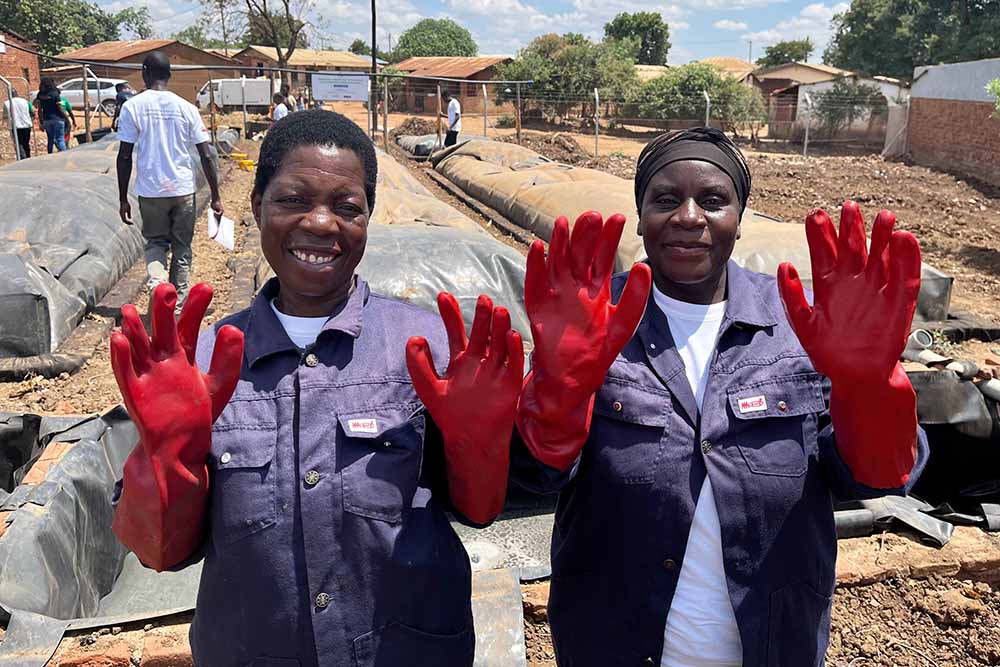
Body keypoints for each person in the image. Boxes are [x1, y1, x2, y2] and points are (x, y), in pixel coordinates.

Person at [109, 109, 525, 666]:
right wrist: (167, 454)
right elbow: (158, 551)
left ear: (369, 218)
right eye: (292, 200)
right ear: (256, 206)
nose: (321, 224)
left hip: (405, 649)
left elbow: (477, 509)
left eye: (347, 207)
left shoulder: (426, 348)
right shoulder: (201, 363)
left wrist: (485, 442)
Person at [511, 127, 929, 666]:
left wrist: (870, 384)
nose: (688, 216)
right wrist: (557, 388)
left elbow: (874, 476)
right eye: (665, 200)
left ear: (739, 216)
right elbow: (537, 475)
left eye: (713, 200)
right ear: (640, 216)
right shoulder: (587, 322)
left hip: (773, 644)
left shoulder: (800, 325)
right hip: (614, 641)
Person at [116, 51, 224, 306]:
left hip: (151, 191)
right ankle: (177, 305)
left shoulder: (133, 106)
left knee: (156, 243)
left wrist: (123, 198)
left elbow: (124, 156)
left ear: (145, 73)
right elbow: (206, 154)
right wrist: (216, 195)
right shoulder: (186, 108)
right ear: (169, 75)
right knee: (182, 247)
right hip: (183, 189)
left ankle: (157, 286)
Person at [34, 78, 72, 153]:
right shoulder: (55, 93)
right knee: (60, 139)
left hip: (46, 120)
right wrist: (67, 119)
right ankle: (63, 155)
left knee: (50, 140)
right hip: (58, 119)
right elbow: (60, 108)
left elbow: (40, 110)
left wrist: (41, 122)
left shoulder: (40, 94)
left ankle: (50, 155)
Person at [3, 89, 33, 159]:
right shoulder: (25, 101)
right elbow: (32, 111)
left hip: (15, 126)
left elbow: (5, 116)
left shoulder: (7, 103)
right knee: (26, 143)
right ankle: (28, 157)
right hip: (26, 125)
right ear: (17, 94)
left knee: (19, 143)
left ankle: (23, 158)